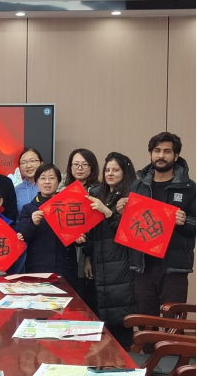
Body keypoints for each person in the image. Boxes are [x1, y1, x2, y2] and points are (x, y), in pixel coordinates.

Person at [117, 132, 195, 317]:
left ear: (176, 155)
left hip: (174, 268)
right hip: (143, 266)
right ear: (150, 154)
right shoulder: (137, 186)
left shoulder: (189, 188)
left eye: (167, 151)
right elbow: (131, 226)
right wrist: (121, 213)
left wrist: (184, 221)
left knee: (173, 322)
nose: (161, 155)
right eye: (157, 151)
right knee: (145, 321)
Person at [83, 152, 137, 348]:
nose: (110, 174)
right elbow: (91, 230)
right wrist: (87, 256)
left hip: (123, 262)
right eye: (107, 170)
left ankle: (124, 356)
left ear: (125, 173)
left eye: (115, 170)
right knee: (102, 313)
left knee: (121, 313)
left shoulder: (131, 195)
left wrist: (106, 211)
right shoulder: (98, 194)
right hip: (100, 261)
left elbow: (129, 233)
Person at [17, 163, 84, 285]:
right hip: (37, 266)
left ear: (58, 182)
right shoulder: (28, 209)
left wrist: (79, 240)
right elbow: (23, 236)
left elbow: (77, 233)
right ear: (36, 182)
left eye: (52, 178)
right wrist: (33, 223)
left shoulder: (68, 205)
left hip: (64, 265)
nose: (47, 182)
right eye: (42, 178)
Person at [59, 148, 100, 302]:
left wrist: (88, 256)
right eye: (75, 164)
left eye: (84, 164)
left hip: (90, 248)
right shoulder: (61, 189)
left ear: (92, 167)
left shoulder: (98, 191)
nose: (79, 168)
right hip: (66, 250)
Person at [15, 148, 43, 215]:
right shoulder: (16, 190)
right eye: (23, 163)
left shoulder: (48, 186)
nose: (28, 166)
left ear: (41, 163)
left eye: (32, 161)